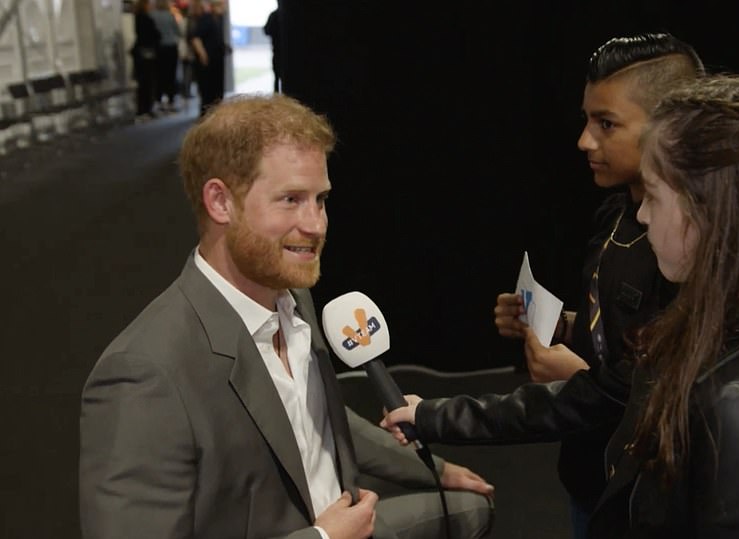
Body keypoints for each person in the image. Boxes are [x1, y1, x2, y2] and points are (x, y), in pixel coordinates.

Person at [383, 73, 739, 538]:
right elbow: (613, 394)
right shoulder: (698, 327)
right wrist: (437, 415)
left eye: (655, 198)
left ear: (716, 215)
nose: (639, 214)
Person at [79, 94, 494, 539]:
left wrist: (435, 469)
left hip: (348, 524)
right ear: (221, 202)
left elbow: (316, 417)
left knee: (473, 508)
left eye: (321, 199)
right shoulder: (144, 374)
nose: (316, 225)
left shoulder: (294, 294)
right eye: (291, 199)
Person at [492, 33, 703, 537]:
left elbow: (678, 391)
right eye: (587, 120)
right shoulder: (615, 211)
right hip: (593, 481)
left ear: (670, 128)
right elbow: (621, 330)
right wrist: (562, 328)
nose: (585, 141)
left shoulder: (689, 250)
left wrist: (583, 378)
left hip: (651, 500)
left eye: (606, 124)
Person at [189, 0, 230, 116]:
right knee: (208, 91)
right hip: (207, 62)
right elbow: (195, 38)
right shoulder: (207, 18)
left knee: (217, 90)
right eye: (223, 5)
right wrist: (203, 55)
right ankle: (205, 115)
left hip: (216, 60)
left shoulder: (218, 20)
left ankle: (215, 114)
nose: (225, 8)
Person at [150, 0, 182, 112]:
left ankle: (159, 100)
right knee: (171, 75)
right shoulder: (170, 15)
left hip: (158, 49)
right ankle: (171, 101)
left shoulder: (152, 15)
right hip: (171, 48)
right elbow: (178, 32)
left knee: (159, 75)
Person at [130, 0, 161, 119]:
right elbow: (153, 35)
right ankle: (145, 109)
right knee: (146, 83)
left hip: (143, 54)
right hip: (146, 54)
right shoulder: (144, 18)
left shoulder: (139, 18)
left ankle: (145, 108)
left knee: (145, 83)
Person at [264, 5, 284, 93]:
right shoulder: (276, 15)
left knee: (277, 78)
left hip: (278, 53)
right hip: (279, 53)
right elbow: (266, 30)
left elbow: (266, 30)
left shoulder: (274, 15)